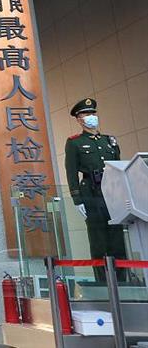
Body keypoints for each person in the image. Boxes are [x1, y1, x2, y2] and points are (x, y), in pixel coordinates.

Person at [64, 97, 127, 282]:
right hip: (92, 194)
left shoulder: (109, 141)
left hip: (113, 193)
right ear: (79, 119)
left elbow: (119, 167)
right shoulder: (74, 143)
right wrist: (77, 199)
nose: (91, 116)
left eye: (92, 113)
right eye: (86, 114)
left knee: (118, 240)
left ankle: (122, 281)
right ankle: (103, 283)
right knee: (99, 240)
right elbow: (71, 172)